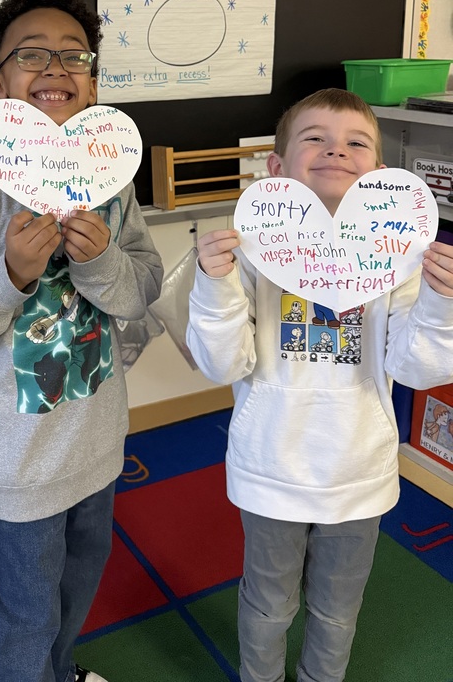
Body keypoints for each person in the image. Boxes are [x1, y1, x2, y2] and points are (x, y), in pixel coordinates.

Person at [0, 0, 163, 682]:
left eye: (74, 55)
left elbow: (141, 288)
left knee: (72, 599)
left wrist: (101, 261)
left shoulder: (114, 184)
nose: (56, 67)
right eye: (32, 55)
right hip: (15, 465)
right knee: (21, 622)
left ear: (92, 83)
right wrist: (12, 274)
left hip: (96, 446)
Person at [187, 87, 453, 682]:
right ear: (276, 168)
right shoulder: (250, 253)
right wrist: (214, 283)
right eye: (315, 139)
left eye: (357, 142)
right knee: (267, 602)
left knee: (337, 610)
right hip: (271, 467)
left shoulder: (398, 258)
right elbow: (221, 363)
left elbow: (417, 369)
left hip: (357, 470)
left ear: (381, 174)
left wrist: (438, 303)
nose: (337, 151)